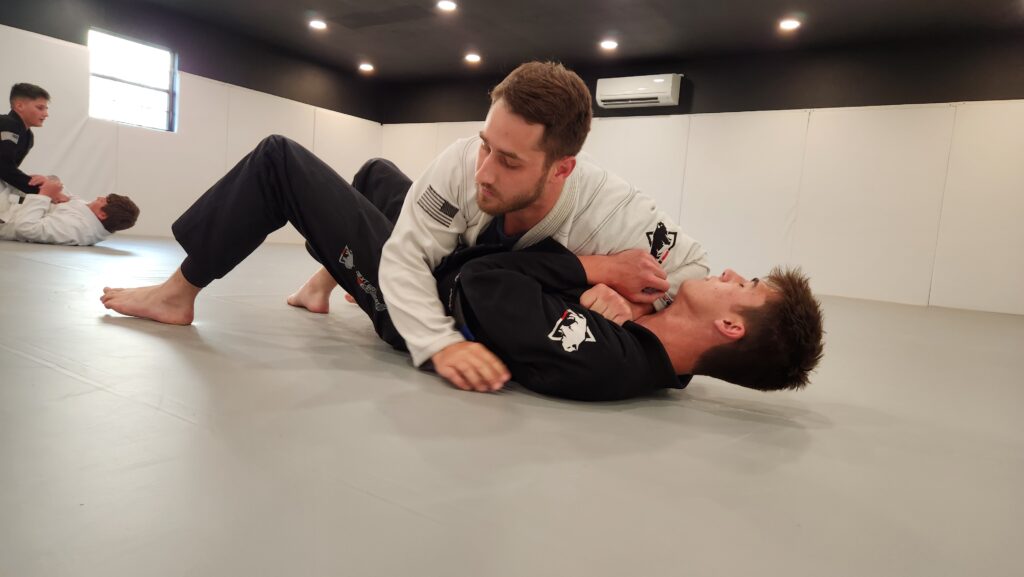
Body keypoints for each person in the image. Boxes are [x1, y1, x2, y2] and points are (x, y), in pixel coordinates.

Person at [101, 61, 710, 392]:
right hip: (430, 281)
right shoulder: (461, 164)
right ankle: (315, 286)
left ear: (563, 168)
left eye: (510, 160)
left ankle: (175, 297)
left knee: (279, 159)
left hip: (446, 303)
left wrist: (639, 311)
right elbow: (405, 256)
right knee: (377, 173)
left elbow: (691, 275)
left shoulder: (613, 209)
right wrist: (439, 347)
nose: (485, 173)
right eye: (485, 145)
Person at [433, 240, 824, 401]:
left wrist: (595, 268)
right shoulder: (636, 324)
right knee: (378, 175)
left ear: (731, 326)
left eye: (745, 285)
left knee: (372, 190)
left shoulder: (608, 357)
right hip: (456, 256)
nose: (730, 273)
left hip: (428, 296)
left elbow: (480, 282)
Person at [0, 185, 140, 245]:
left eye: (102, 200)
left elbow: (25, 228)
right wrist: (53, 185)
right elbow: (72, 200)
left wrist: (44, 195)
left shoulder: (77, 230)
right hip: (9, 202)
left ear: (102, 214)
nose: (98, 197)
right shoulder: (90, 215)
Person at [1, 83, 67, 202]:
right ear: (20, 106)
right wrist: (44, 192)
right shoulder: (7, 123)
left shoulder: (28, 137)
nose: (46, 114)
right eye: (40, 108)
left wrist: (35, 184)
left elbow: (8, 170)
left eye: (46, 109)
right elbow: (4, 168)